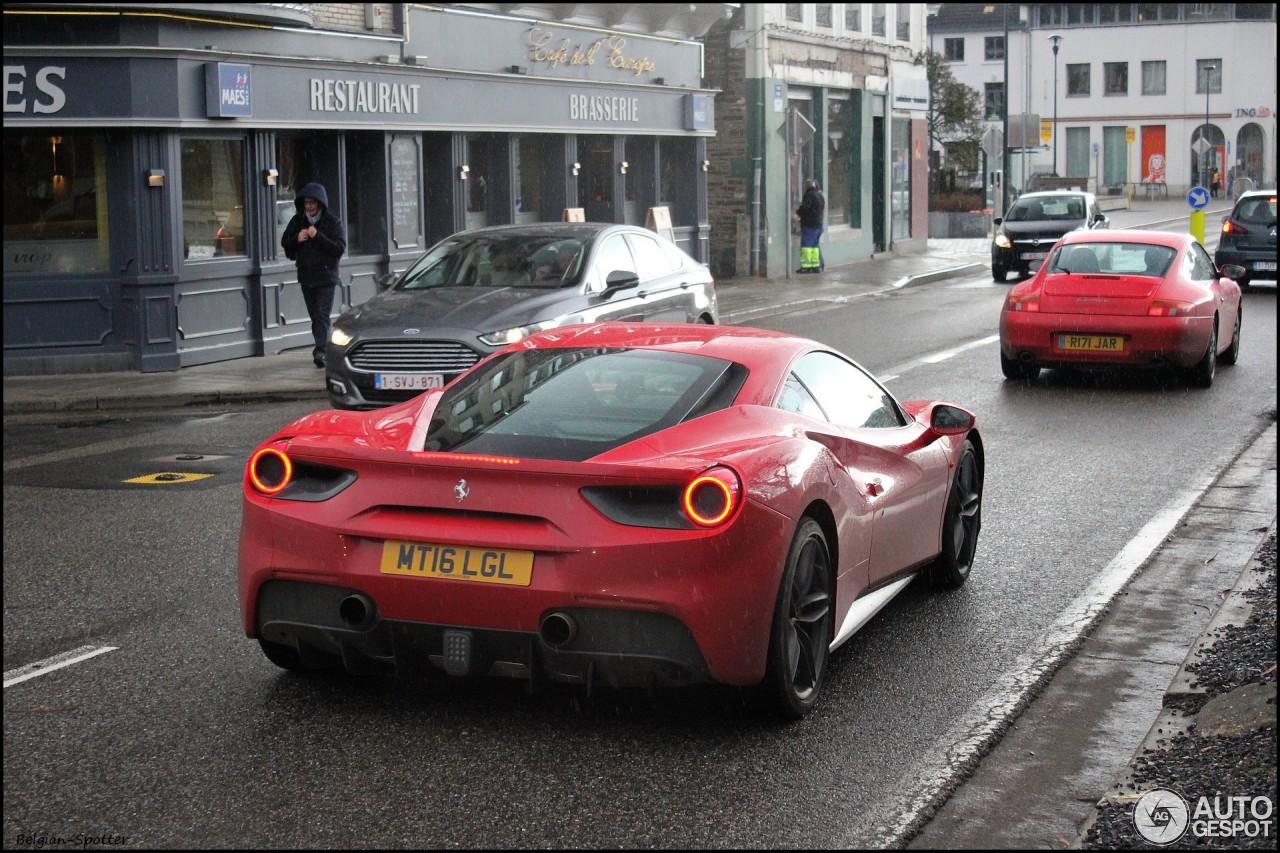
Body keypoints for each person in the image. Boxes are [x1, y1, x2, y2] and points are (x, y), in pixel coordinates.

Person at [282, 182, 346, 368]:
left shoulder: (332, 223)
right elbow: (286, 244)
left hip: (326, 277)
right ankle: (325, 346)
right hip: (307, 276)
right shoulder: (297, 221)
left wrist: (317, 236)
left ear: (320, 204)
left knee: (321, 314)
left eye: (313, 203)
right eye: (306, 203)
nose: (309, 207)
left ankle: (321, 351)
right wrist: (297, 239)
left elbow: (338, 248)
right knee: (315, 316)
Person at [796, 177, 825, 274]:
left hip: (810, 225)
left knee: (806, 246)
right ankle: (816, 266)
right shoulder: (820, 196)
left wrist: (798, 212)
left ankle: (806, 267)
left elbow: (805, 209)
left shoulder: (809, 195)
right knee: (815, 246)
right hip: (818, 225)